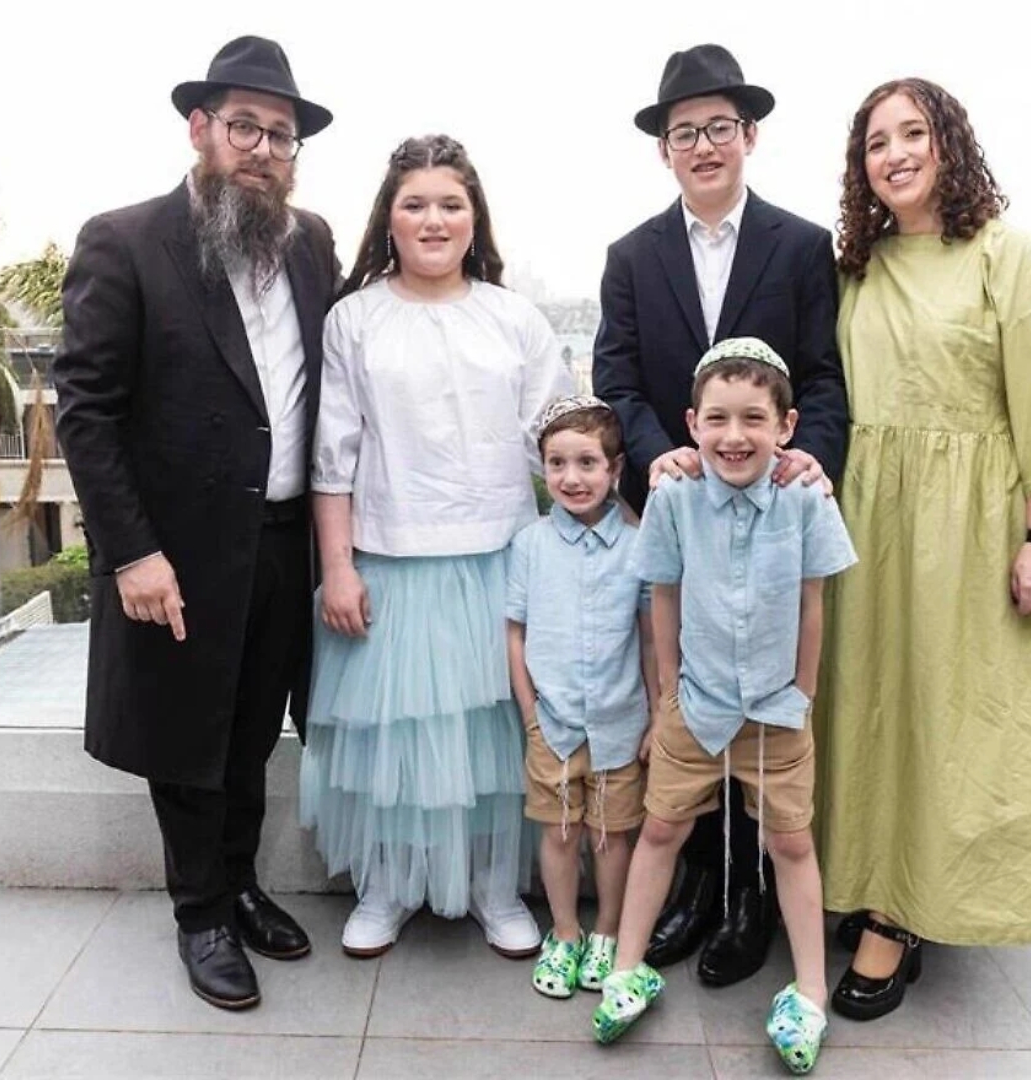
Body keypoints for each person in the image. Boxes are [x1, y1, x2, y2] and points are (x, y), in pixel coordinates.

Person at [814, 78, 1031, 1023]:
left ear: (950, 143)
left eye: (913, 133)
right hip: (869, 523)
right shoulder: (858, 267)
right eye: (876, 142)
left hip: (971, 530)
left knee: (951, 720)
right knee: (869, 709)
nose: (895, 154)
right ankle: (871, 879)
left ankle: (901, 916)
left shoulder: (1008, 257)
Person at [54, 36, 339, 1010]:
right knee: (189, 739)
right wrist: (132, 551)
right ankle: (201, 914)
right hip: (175, 554)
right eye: (245, 127)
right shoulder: (125, 240)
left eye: (281, 135)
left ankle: (242, 882)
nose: (263, 148)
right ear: (200, 129)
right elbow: (85, 413)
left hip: (284, 543)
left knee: (254, 729)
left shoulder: (310, 244)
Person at [593, 42, 850, 988]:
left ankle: (750, 908)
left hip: (771, 518)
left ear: (750, 136)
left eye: (718, 128)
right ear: (663, 149)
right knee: (690, 711)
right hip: (683, 514)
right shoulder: (631, 256)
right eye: (683, 132)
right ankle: (694, 890)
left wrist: (812, 458)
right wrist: (655, 449)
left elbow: (821, 376)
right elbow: (616, 377)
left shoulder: (801, 245)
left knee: (762, 714)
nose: (702, 145)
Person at [300, 134, 573, 959]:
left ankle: (496, 887)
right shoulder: (354, 320)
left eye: (451, 204)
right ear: (388, 217)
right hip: (388, 564)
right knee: (397, 744)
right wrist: (338, 568)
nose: (433, 220)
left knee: (495, 740)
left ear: (474, 217)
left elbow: (557, 443)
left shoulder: (514, 318)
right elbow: (333, 457)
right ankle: (386, 886)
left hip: (499, 561)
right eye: (414, 203)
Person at [593, 338, 856, 1075]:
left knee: (792, 842)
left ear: (787, 425)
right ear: (692, 423)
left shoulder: (805, 499)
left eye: (753, 418)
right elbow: (663, 597)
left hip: (777, 710)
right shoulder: (674, 497)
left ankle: (809, 990)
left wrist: (802, 693)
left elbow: (812, 602)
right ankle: (627, 969)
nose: (734, 436)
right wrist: (668, 695)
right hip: (696, 705)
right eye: (717, 419)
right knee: (662, 828)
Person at [506, 396, 657, 999]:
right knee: (561, 832)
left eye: (587, 463)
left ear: (614, 468)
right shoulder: (530, 545)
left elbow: (650, 638)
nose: (572, 477)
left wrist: (657, 715)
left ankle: (608, 932)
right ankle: (565, 933)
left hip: (621, 722)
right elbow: (515, 633)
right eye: (558, 463)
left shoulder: (638, 544)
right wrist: (531, 715)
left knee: (612, 835)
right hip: (555, 722)